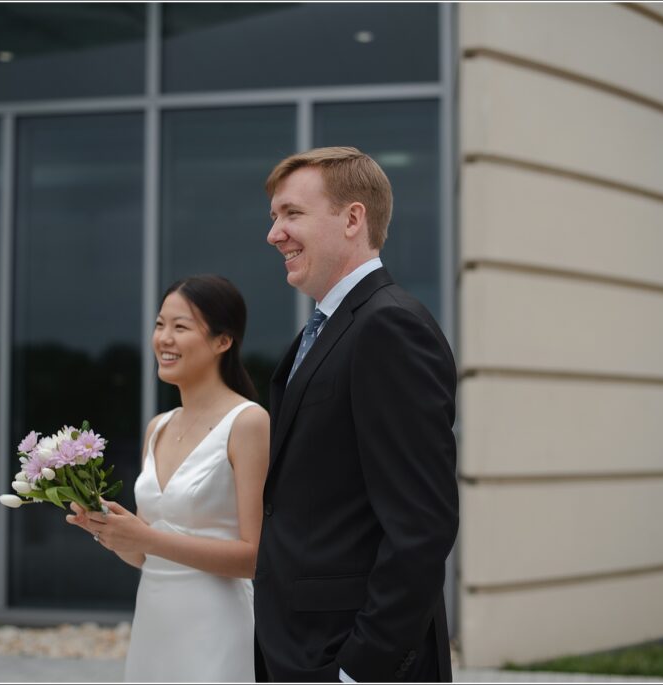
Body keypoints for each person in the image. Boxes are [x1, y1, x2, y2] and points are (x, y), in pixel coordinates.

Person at [254, 147, 460, 682]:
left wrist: (361, 668)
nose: (275, 234)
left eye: (292, 214)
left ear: (352, 218)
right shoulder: (324, 330)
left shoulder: (389, 327)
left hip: (350, 659)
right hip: (299, 649)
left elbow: (421, 525)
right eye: (274, 218)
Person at [66, 274, 270, 682]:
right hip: (154, 624)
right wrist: (107, 529)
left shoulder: (247, 422)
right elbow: (144, 555)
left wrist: (147, 537)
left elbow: (255, 558)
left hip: (217, 628)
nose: (164, 338)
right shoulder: (157, 427)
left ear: (222, 341)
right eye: (160, 325)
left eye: (181, 327)